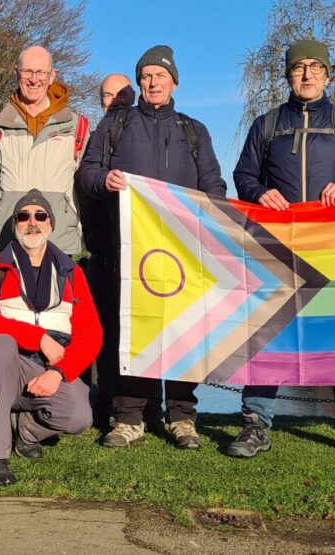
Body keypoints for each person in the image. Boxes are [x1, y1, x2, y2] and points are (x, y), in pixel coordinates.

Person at [230, 39, 335, 463]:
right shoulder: (266, 124)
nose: (306, 74)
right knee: (267, 335)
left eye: (314, 67)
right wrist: (261, 192)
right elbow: (243, 175)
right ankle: (256, 424)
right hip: (277, 248)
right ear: (288, 75)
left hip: (333, 247)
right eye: (298, 67)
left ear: (327, 74)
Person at [78, 45, 227, 450]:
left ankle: (182, 416)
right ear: (138, 83)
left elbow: (213, 186)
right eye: (145, 76)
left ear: (174, 82)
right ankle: (129, 418)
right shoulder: (115, 126)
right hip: (131, 250)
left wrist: (212, 224)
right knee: (136, 329)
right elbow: (86, 175)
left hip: (182, 251)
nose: (153, 82)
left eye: (160, 76)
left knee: (183, 332)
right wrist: (105, 178)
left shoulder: (194, 131)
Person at [0, 190, 101, 486]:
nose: (32, 222)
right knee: (0, 343)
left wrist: (59, 373)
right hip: (3, 364)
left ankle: (26, 429)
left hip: (48, 367)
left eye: (40, 216)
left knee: (80, 417)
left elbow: (91, 334)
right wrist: (38, 337)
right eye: (23, 216)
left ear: (50, 225)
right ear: (15, 223)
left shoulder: (72, 272)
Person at [0, 45, 89, 257]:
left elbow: (84, 185)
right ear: (16, 73)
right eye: (27, 71)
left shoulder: (78, 127)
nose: (34, 79)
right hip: (5, 241)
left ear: (52, 76)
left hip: (58, 242)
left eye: (41, 72)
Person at [79, 73, 135, 428]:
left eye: (121, 95)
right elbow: (84, 181)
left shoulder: (144, 133)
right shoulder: (95, 135)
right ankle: (101, 399)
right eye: (106, 95)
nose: (113, 101)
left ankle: (132, 405)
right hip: (101, 248)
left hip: (142, 252)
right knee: (101, 329)